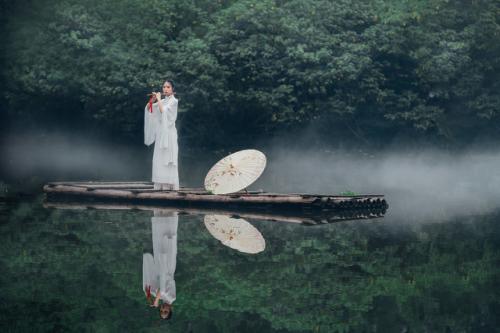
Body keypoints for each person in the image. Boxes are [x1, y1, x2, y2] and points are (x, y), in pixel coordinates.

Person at [143, 209, 178, 320]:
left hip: (159, 264)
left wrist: (148, 295)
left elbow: (149, 287)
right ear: (171, 309)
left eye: (161, 311)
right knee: (167, 235)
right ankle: (173, 195)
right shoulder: (172, 297)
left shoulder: (160, 296)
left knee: (157, 238)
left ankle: (157, 203)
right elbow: (162, 289)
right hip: (168, 264)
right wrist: (156, 300)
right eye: (166, 311)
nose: (163, 309)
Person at [144, 80, 179, 190]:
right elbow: (150, 109)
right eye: (164, 87)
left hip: (169, 135)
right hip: (161, 134)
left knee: (168, 159)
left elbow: (163, 111)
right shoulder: (163, 101)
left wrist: (158, 99)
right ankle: (159, 184)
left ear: (172, 89)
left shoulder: (174, 101)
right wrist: (152, 100)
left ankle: (169, 185)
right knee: (159, 158)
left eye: (168, 87)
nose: (165, 89)